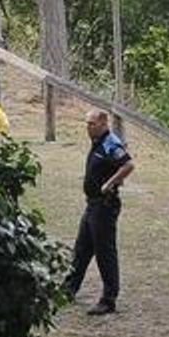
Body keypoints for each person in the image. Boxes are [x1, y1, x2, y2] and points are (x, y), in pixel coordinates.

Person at [64, 108, 135, 315]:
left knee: (105, 253)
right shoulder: (97, 142)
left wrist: (109, 183)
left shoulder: (110, 142)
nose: (88, 127)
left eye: (92, 124)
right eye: (86, 123)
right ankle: (68, 289)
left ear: (104, 124)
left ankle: (108, 300)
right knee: (82, 249)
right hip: (92, 205)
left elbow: (128, 165)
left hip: (104, 205)